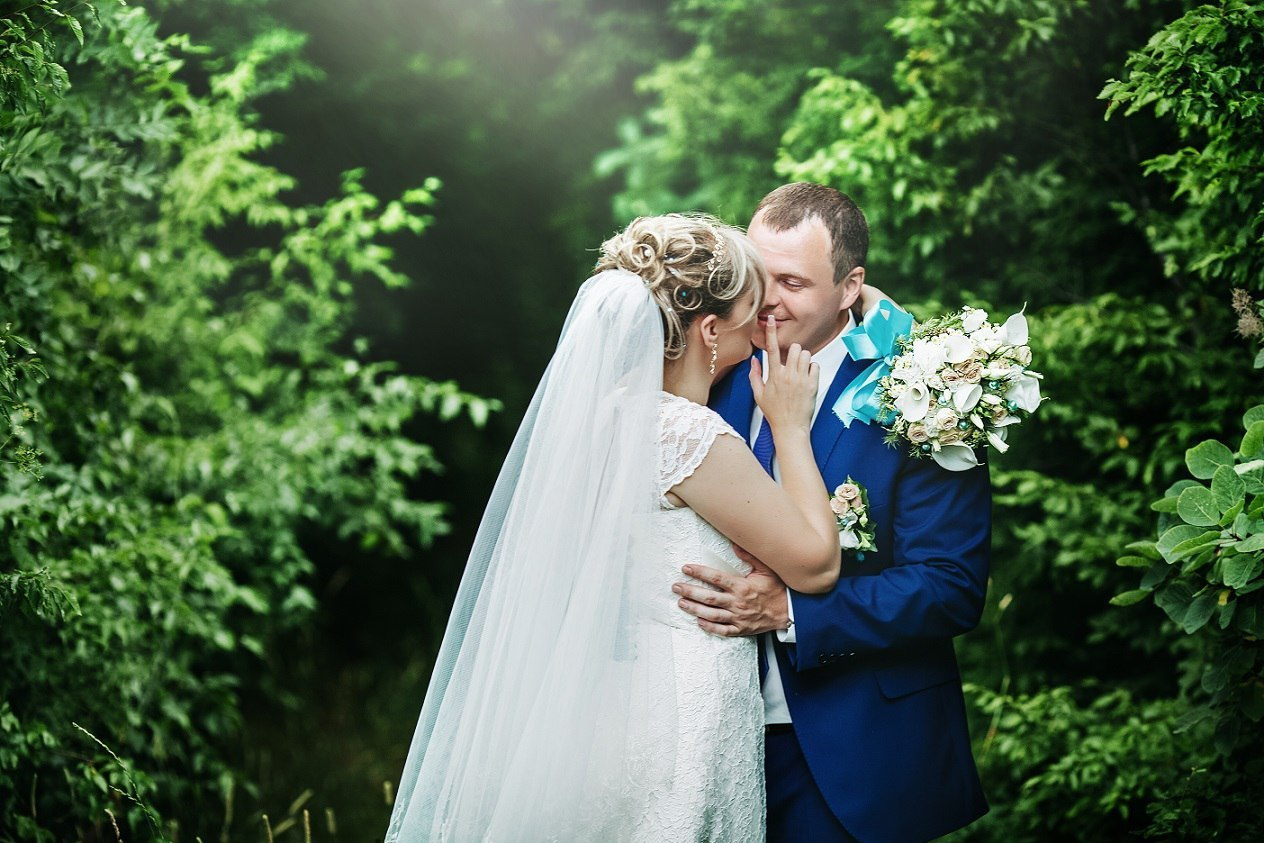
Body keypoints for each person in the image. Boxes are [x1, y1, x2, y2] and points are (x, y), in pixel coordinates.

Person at [386, 213, 846, 841]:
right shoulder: (687, 434)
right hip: (690, 700)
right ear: (710, 329)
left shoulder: (605, 414)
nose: (763, 321)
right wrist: (791, 427)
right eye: (750, 310)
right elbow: (817, 564)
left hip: (621, 696)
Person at [677, 183, 992, 842]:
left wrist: (791, 612)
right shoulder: (712, 372)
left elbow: (949, 586)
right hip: (707, 738)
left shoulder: (927, 390)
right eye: (759, 274)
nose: (766, 297)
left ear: (850, 286)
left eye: (792, 281)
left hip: (857, 747)